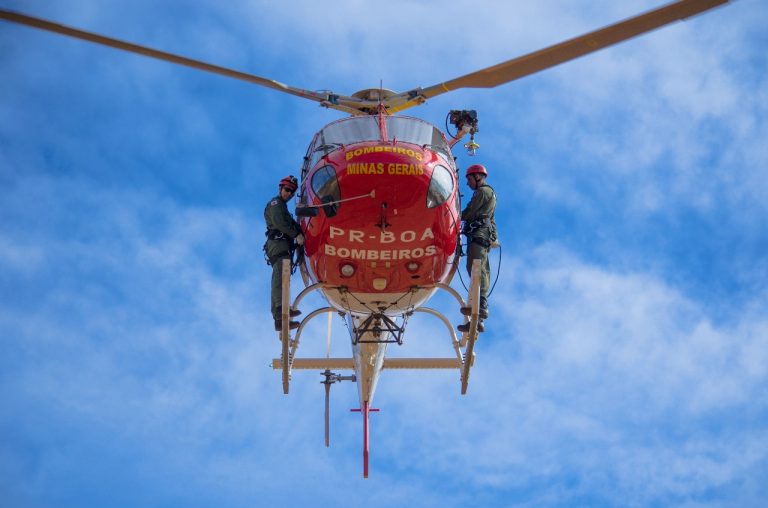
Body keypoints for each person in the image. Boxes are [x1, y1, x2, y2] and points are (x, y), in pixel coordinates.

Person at [457, 164, 497, 333]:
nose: (468, 183)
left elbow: (471, 211)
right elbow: (489, 218)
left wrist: (455, 215)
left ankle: (481, 305)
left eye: (469, 179)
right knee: (473, 268)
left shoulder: (483, 192)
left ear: (477, 177)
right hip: (477, 234)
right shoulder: (485, 193)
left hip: (479, 234)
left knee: (477, 268)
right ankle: (477, 315)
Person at [264, 175, 305, 331]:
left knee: (284, 277)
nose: (289, 193)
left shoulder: (283, 207)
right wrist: (296, 235)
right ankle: (280, 309)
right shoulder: (275, 204)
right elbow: (280, 223)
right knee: (280, 275)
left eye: (292, 192)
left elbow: (291, 223)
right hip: (278, 244)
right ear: (280, 188)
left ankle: (281, 318)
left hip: (284, 245)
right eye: (287, 189)